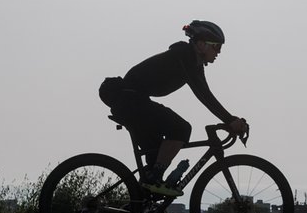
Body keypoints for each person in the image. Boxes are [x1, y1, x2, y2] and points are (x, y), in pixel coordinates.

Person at [98, 20, 247, 198]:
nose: (219, 52)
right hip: (131, 101)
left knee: (154, 167)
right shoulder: (184, 55)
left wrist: (229, 119)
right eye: (216, 47)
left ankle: (140, 210)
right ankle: (153, 181)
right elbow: (203, 95)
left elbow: (206, 93)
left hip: (133, 103)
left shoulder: (194, 64)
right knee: (181, 128)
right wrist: (230, 120)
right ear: (200, 44)